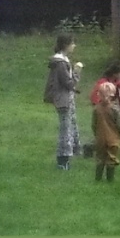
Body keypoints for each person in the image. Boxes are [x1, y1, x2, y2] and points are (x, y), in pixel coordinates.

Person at [43, 33, 82, 170]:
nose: (74, 46)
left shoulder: (63, 60)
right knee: (65, 130)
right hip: (63, 100)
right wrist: (77, 72)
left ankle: (69, 156)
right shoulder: (60, 63)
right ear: (66, 45)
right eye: (72, 43)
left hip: (67, 99)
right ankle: (62, 161)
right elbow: (68, 83)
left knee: (70, 127)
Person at [92, 82, 120, 182]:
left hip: (100, 138)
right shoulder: (114, 109)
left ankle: (98, 179)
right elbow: (119, 125)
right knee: (111, 158)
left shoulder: (96, 109)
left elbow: (93, 124)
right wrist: (119, 134)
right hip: (112, 138)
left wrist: (96, 134)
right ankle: (110, 180)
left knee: (100, 158)